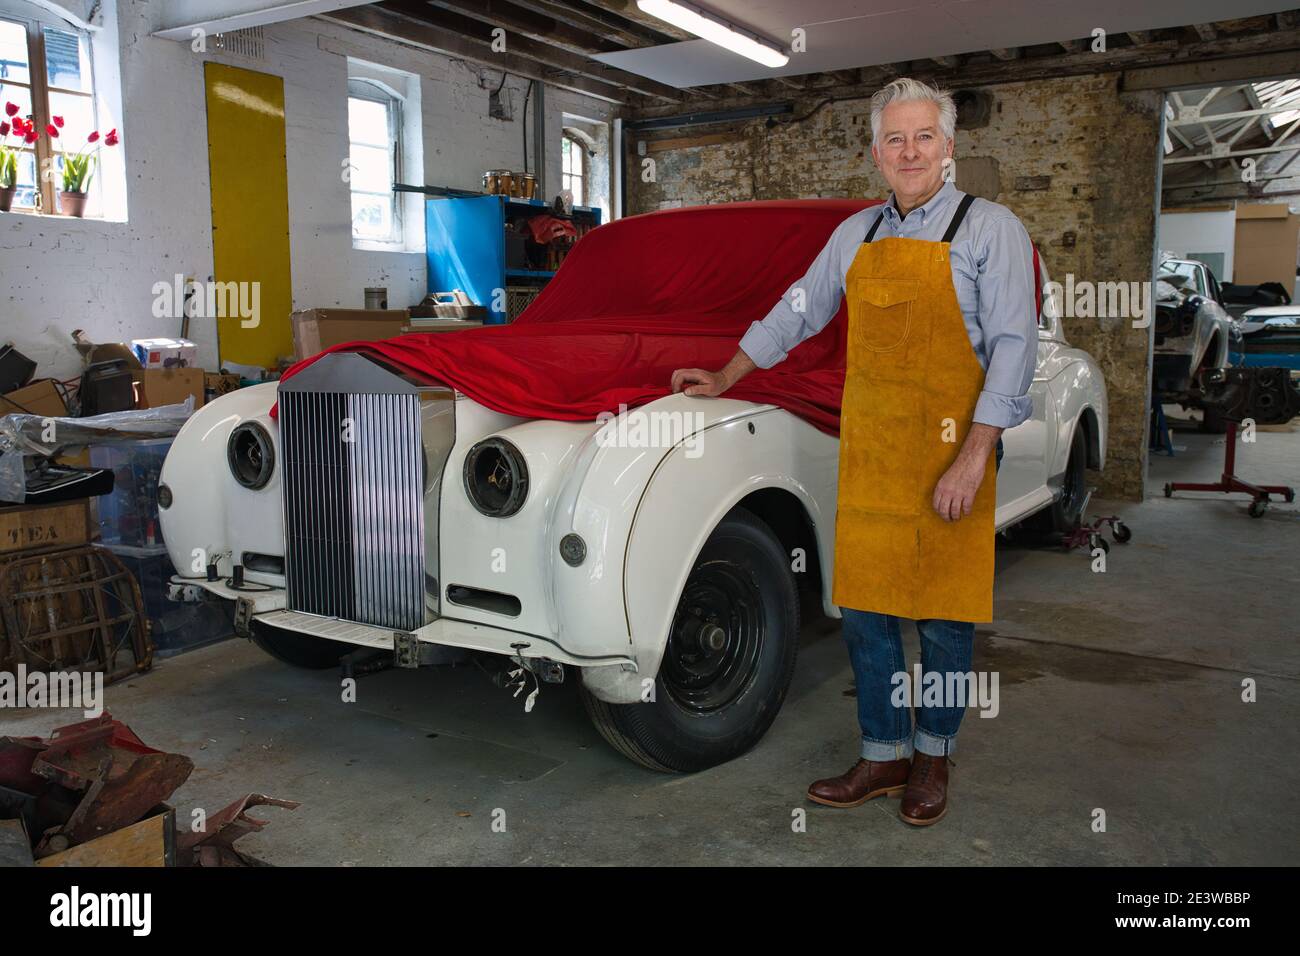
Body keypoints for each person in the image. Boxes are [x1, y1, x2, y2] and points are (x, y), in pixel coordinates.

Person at [669, 77, 1038, 826]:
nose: (909, 151)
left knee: (941, 615)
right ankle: (881, 752)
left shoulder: (989, 229)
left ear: (949, 147)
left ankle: (933, 753)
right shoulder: (857, 235)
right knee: (866, 612)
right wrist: (730, 371)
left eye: (923, 137)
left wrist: (975, 454)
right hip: (872, 450)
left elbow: (1013, 349)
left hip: (952, 451)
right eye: (895, 139)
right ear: (876, 153)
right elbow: (799, 309)